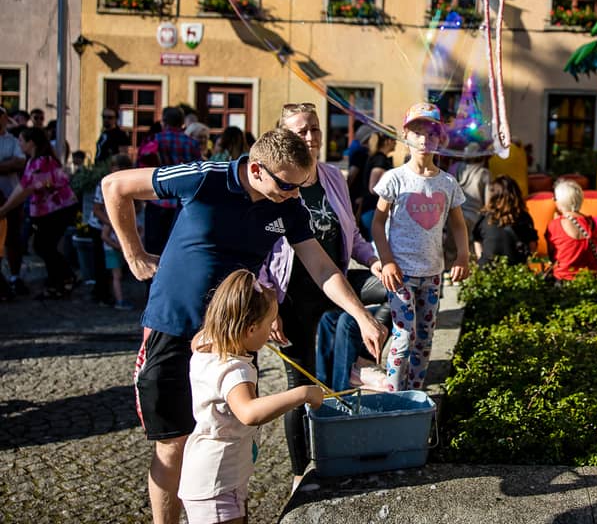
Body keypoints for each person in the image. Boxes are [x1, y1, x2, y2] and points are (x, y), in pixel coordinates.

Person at [102, 127, 386, 524]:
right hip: (173, 326)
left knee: (228, 436)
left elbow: (321, 267)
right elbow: (115, 185)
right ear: (256, 170)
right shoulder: (205, 178)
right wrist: (133, 254)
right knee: (173, 443)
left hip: (232, 339)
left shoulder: (288, 206)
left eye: (301, 185)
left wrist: (360, 314)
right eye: (287, 185)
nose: (295, 194)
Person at [258, 102, 383, 490]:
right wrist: (268, 304)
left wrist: (375, 262)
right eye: (300, 131)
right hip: (291, 296)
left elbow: (353, 234)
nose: (310, 137)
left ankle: (359, 367)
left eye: (314, 128)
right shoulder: (273, 181)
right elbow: (258, 248)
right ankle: (301, 472)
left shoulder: (332, 176)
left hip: (334, 283)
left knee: (397, 288)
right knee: (299, 383)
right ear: (283, 136)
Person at [178, 268, 323, 524]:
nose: (271, 332)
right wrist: (302, 393)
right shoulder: (234, 371)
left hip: (213, 476)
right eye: (269, 324)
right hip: (218, 482)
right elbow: (249, 412)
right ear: (251, 329)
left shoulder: (205, 344)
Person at [371, 102, 469, 392]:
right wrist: (387, 260)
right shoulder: (395, 179)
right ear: (406, 136)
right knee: (403, 337)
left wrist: (463, 256)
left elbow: (458, 225)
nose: (425, 139)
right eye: (417, 132)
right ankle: (393, 395)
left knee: (425, 340)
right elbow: (377, 223)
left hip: (433, 274)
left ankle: (415, 393)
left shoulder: (447, 183)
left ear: (441, 138)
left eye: (432, 133)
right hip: (400, 274)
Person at [0, 127, 80, 299]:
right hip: (50, 211)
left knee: (44, 246)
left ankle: (64, 279)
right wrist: (5, 208)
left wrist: (4, 209)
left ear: (31, 143)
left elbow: (26, 190)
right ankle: (59, 281)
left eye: (21, 140)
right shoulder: (34, 161)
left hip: (59, 209)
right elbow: (22, 186)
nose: (19, 144)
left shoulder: (42, 162)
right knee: (43, 246)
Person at [143, 107, 203, 256]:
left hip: (157, 198)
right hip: (182, 201)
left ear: (164, 122)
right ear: (182, 123)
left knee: (154, 247)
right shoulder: (192, 143)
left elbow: (142, 166)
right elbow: (199, 172)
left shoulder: (155, 139)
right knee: (177, 247)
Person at [93, 154, 139, 310]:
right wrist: (114, 223)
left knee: (116, 271)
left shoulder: (129, 183)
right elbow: (97, 210)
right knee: (104, 268)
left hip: (115, 228)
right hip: (105, 226)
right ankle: (103, 295)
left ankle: (113, 295)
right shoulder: (104, 184)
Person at [544, 177, 597, 282]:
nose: (553, 200)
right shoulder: (590, 223)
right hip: (588, 278)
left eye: (555, 198)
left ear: (561, 201)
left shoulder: (554, 225)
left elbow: (552, 256)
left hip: (563, 279)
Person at [472, 175, 537, 269]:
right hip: (515, 272)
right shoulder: (523, 218)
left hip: (487, 271)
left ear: (493, 195)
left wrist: (481, 259)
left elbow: (476, 239)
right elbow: (532, 247)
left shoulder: (484, 217)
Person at [0, 108, 27, 300]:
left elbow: (20, 162)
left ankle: (14, 276)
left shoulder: (12, 140)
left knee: (12, 239)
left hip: (11, 197)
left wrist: (7, 165)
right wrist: (6, 164)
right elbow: (13, 163)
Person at [357, 131, 395, 236]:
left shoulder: (376, 157)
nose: (396, 143)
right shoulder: (380, 160)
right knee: (374, 243)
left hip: (370, 209)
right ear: (388, 141)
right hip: (373, 210)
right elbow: (373, 188)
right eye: (394, 140)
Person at [344, 121, 374, 208]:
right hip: (357, 197)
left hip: (361, 197)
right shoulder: (360, 153)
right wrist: (344, 191)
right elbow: (352, 174)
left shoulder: (366, 153)